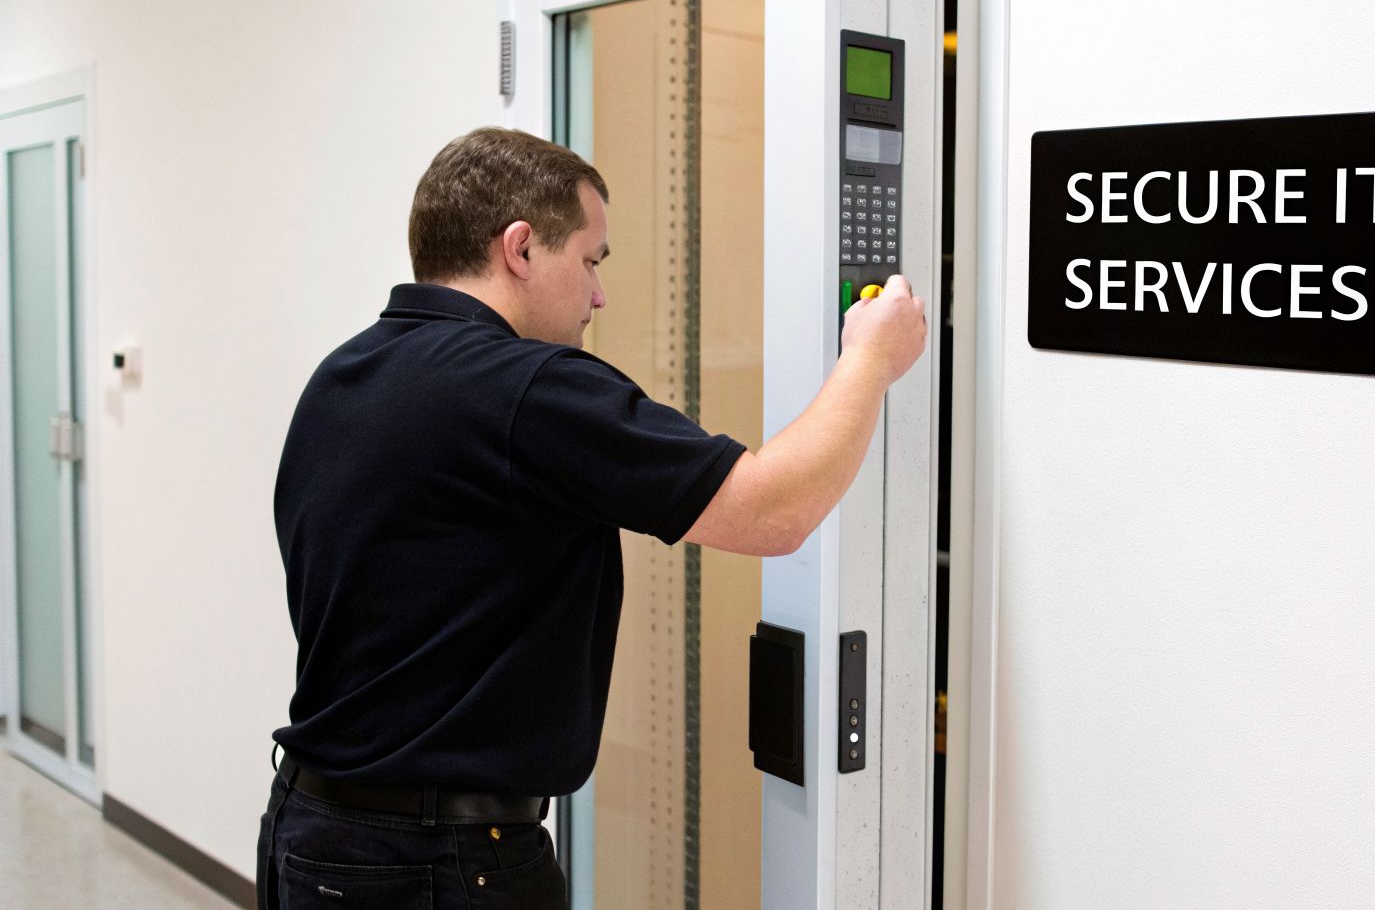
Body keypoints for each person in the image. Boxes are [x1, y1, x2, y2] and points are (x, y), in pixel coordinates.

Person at [255, 127, 926, 909]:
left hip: (310, 830)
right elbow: (773, 512)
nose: (599, 295)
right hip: (437, 863)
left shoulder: (343, 374)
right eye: (590, 260)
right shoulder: (525, 389)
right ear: (519, 247)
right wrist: (870, 362)